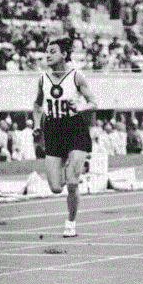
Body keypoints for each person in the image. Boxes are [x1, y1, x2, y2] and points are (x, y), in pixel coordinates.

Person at [33, 35, 95, 238]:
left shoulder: (76, 76)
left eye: (53, 52)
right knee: (55, 187)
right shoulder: (43, 78)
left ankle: (70, 223)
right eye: (47, 52)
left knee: (72, 180)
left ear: (64, 55)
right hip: (53, 129)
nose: (48, 56)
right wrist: (36, 126)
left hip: (74, 126)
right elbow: (37, 105)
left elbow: (93, 102)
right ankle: (69, 169)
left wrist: (81, 106)